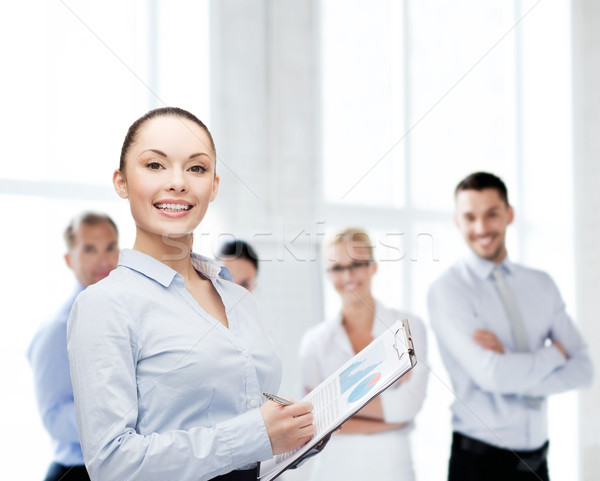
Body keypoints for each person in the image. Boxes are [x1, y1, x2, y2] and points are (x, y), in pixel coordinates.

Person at [66, 107, 314, 481]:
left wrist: (296, 437)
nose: (178, 183)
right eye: (155, 165)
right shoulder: (105, 305)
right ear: (121, 182)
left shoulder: (238, 297)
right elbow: (112, 464)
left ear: (213, 186)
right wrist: (253, 436)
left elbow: (249, 442)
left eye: (196, 168)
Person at [427, 172, 593, 481]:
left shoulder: (541, 284)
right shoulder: (448, 290)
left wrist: (512, 370)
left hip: (538, 460)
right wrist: (553, 356)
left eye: (491, 214)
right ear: (457, 222)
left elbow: (584, 369)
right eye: (470, 217)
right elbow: (493, 375)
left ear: (509, 214)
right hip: (479, 463)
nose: (482, 228)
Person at [299, 227, 429, 481]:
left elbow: (409, 406)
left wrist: (336, 405)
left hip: (392, 467)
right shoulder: (315, 341)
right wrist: (390, 417)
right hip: (335, 468)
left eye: (357, 264)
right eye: (337, 268)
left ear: (373, 267)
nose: (347, 275)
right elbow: (315, 419)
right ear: (327, 274)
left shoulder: (408, 327)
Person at [28, 212, 120, 481]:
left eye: (110, 247)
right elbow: (54, 418)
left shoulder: (120, 315)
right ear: (69, 260)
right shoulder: (59, 328)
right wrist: (122, 419)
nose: (104, 259)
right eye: (89, 249)